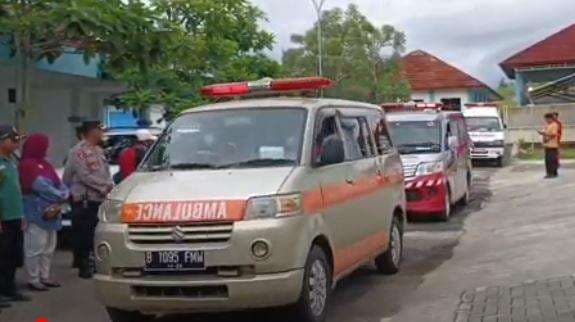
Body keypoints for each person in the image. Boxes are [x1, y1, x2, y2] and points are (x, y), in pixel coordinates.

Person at [19, 134, 70, 291]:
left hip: (52, 212)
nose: (48, 148)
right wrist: (61, 194)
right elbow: (40, 186)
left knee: (48, 247)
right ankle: (33, 279)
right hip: (35, 212)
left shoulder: (45, 164)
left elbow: (58, 183)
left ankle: (44, 276)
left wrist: (62, 192)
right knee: (35, 247)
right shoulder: (26, 165)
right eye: (45, 145)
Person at [63, 121, 113, 278]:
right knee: (84, 234)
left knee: (95, 233)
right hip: (86, 198)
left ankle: (93, 263)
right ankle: (83, 265)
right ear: (92, 131)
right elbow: (84, 175)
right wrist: (104, 186)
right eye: (100, 130)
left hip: (99, 199)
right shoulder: (78, 151)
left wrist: (109, 185)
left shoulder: (98, 150)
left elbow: (105, 172)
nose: (102, 133)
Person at [0, 125, 30, 305]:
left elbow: (15, 190)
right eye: (14, 140)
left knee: (12, 256)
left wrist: (21, 214)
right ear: (3, 141)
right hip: (3, 218)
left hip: (14, 216)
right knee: (2, 256)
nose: (18, 143)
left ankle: (9, 289)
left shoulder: (10, 161)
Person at [538, 113, 560, 178]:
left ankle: (551, 173)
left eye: (547, 119)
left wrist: (544, 133)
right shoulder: (548, 125)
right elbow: (547, 134)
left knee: (551, 160)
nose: (546, 120)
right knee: (548, 160)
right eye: (545, 119)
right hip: (547, 145)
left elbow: (553, 134)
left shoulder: (554, 125)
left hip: (552, 145)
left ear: (550, 118)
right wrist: (543, 134)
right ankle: (551, 173)